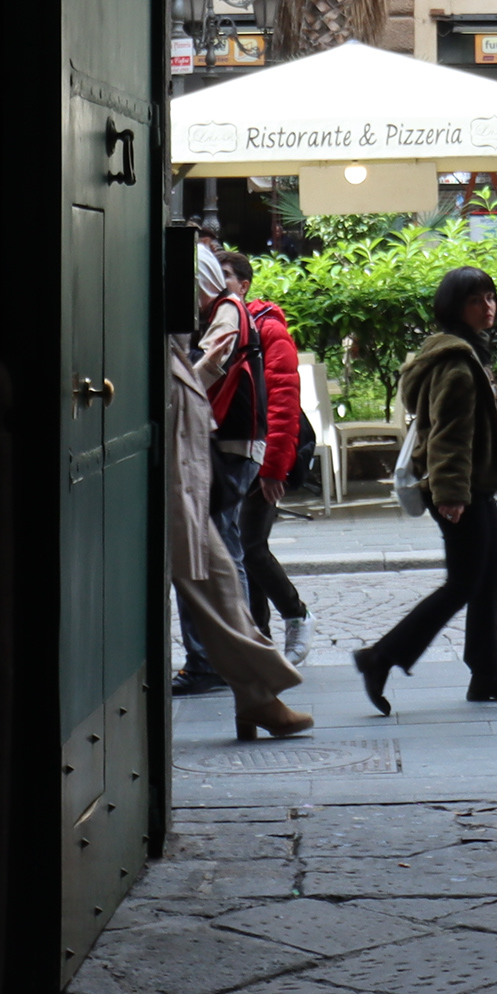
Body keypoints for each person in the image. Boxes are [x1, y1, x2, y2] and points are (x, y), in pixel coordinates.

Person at [353, 267, 497, 713]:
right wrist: (451, 494)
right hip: (461, 489)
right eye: (476, 300)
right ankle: (381, 656)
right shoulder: (456, 363)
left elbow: (472, 421)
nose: (488, 306)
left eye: (490, 297)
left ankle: (486, 674)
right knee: (464, 583)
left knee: (487, 578)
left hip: (473, 487)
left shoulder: (466, 352)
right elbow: (448, 435)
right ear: (455, 307)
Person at [164, 239, 310, 738]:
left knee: (221, 566)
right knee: (219, 568)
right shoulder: (200, 325)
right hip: (196, 460)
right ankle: (256, 693)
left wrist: (275, 466)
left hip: (220, 454)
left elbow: (282, 398)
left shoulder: (231, 321)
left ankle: (254, 689)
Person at [224, 246, 312, 663]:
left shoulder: (267, 329)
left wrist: (274, 468)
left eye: (225, 276)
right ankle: (259, 640)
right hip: (233, 455)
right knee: (244, 549)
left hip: (261, 456)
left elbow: (283, 401)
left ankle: (296, 615)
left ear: (243, 285)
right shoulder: (221, 326)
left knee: (250, 546)